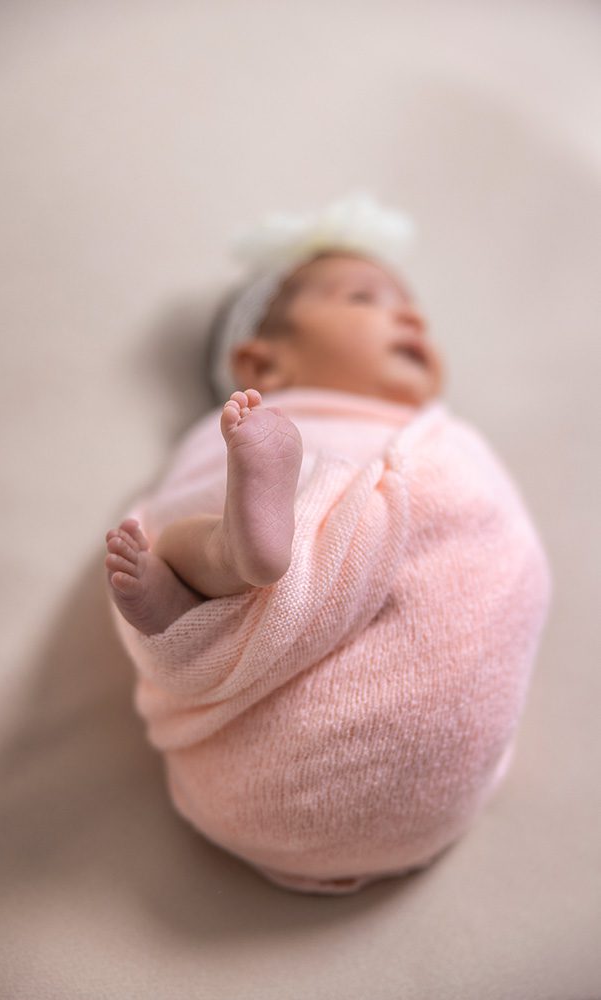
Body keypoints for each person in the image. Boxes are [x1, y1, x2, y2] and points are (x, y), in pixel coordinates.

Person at [104, 194, 552, 894]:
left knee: (476, 525)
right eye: (364, 298)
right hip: (420, 818)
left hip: (345, 793)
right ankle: (224, 561)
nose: (410, 318)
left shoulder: (447, 441)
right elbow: (182, 495)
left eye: (414, 310)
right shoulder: (263, 423)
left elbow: (498, 562)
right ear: (263, 365)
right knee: (181, 536)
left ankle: (235, 558)